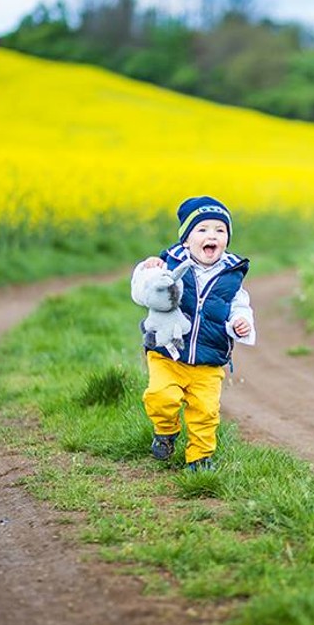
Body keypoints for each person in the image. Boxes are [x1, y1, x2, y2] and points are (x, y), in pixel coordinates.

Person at [131, 195, 255, 470]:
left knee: (205, 412)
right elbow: (143, 290)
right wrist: (148, 270)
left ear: (227, 239)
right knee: (160, 397)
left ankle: (200, 459)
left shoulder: (231, 273)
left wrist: (240, 322)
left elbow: (239, 305)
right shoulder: (169, 264)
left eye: (220, 230)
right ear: (186, 239)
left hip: (209, 360)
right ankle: (166, 430)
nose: (212, 235)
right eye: (202, 230)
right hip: (167, 353)